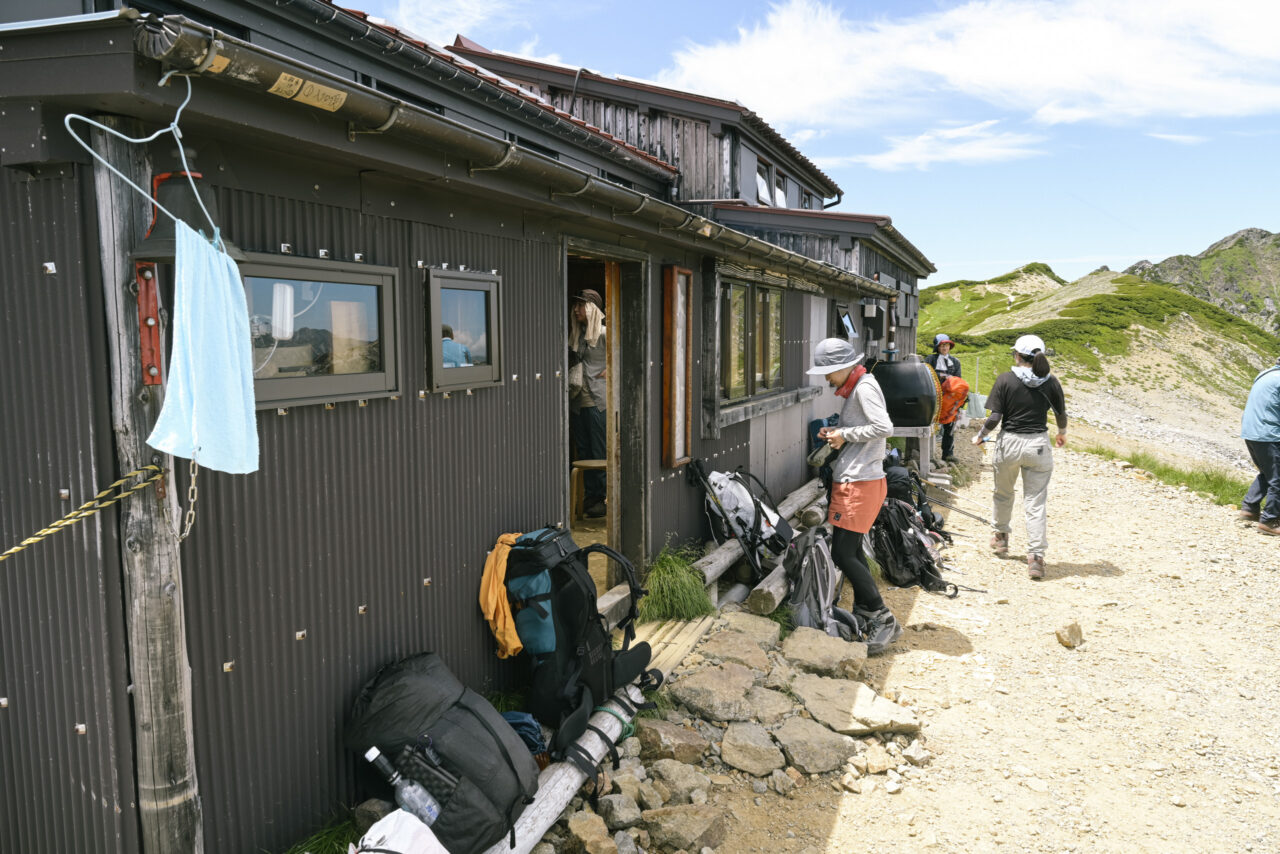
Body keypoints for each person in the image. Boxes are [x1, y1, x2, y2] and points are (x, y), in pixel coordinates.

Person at [808, 337, 902, 654]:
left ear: (844, 367)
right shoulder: (860, 386)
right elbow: (865, 429)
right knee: (852, 552)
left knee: (843, 554)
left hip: (860, 482)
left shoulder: (864, 387)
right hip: (857, 479)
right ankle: (867, 612)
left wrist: (844, 433)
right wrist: (837, 434)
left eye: (829, 372)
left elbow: (884, 426)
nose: (827, 379)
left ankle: (882, 618)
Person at [971, 334, 1067, 579]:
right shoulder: (1051, 382)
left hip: (1010, 444)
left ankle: (1001, 537)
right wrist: (1062, 434)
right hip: (1038, 444)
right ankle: (1036, 558)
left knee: (1003, 493)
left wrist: (980, 436)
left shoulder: (1005, 379)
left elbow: (994, 418)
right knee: (1035, 503)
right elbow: (1060, 413)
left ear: (1017, 355)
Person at [569, 289, 607, 518]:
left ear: (592, 308)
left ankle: (600, 497)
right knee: (583, 450)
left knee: (598, 450)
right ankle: (589, 497)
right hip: (577, 401)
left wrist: (612, 368)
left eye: (581, 305)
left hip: (597, 400)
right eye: (575, 305)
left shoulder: (603, 333)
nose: (576, 309)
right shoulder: (577, 335)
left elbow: (627, 356)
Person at [1240, 357, 1280, 536]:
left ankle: (1250, 508)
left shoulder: (1265, 374)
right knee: (1278, 478)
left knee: (1267, 472)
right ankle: (1270, 521)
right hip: (1268, 434)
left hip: (1251, 432)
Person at [925, 333, 962, 461]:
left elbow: (958, 381)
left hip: (949, 399)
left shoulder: (955, 362)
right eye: (941, 345)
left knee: (950, 426)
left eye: (946, 345)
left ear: (949, 346)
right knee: (929, 424)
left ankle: (948, 454)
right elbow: (926, 376)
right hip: (933, 397)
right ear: (937, 347)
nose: (944, 348)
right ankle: (926, 455)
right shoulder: (930, 360)